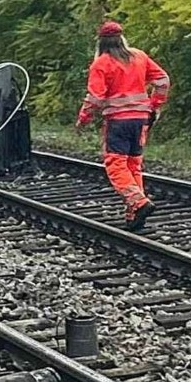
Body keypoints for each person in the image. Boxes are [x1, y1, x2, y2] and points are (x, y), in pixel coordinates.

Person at [76, 21, 169, 231]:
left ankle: (139, 202)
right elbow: (162, 81)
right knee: (133, 164)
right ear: (122, 38)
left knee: (116, 165)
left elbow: (95, 99)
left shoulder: (101, 63)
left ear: (101, 42)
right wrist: (154, 105)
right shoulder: (139, 56)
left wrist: (83, 119)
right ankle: (134, 214)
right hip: (141, 120)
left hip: (118, 122)